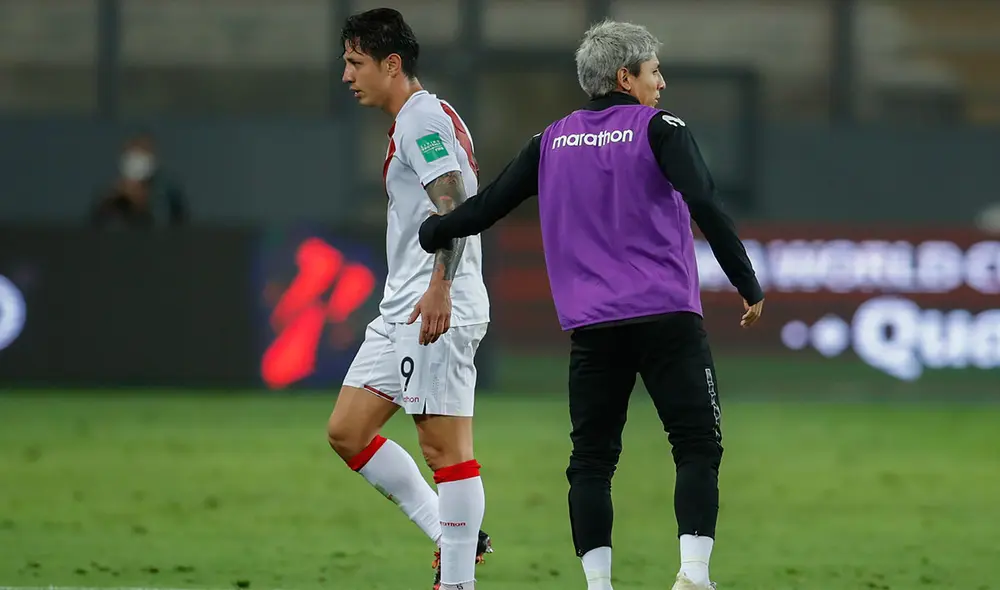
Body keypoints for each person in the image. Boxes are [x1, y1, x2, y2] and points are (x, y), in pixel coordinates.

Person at [418, 19, 765, 590]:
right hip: (667, 318)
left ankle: (598, 586)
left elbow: (486, 209)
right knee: (697, 445)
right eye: (654, 72)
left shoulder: (549, 141)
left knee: (592, 461)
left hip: (595, 328)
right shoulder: (662, 129)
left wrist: (437, 231)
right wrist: (746, 282)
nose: (662, 82)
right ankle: (693, 576)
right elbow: (704, 200)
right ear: (626, 77)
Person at [328, 8, 492, 590]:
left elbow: (455, 209)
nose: (346, 75)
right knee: (348, 430)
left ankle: (456, 581)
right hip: (402, 308)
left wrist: (441, 286)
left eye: (355, 63)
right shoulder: (420, 116)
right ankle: (459, 539)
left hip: (434, 305)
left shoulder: (422, 120)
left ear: (390, 64)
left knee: (442, 448)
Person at [91, 132, 188, 228]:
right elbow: (96, 229)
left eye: (143, 152)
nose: (137, 159)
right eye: (133, 152)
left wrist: (144, 202)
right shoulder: (112, 198)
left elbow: (176, 226)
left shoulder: (168, 195)